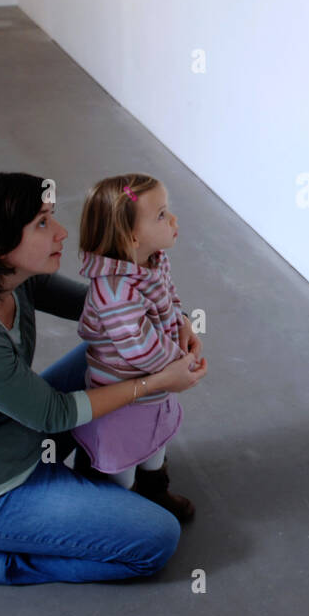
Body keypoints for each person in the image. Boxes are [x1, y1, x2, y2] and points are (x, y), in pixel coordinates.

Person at [0, 172, 208, 585]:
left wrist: (179, 321)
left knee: (112, 349)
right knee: (156, 540)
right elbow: (54, 415)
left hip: (17, 428)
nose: (62, 232)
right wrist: (154, 382)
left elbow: (111, 311)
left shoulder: (15, 281)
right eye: (43, 223)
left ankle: (94, 479)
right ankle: (9, 556)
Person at [68, 175, 198, 521]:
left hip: (156, 387)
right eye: (161, 215)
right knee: (122, 462)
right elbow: (139, 349)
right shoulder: (115, 291)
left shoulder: (153, 261)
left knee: (154, 444)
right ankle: (120, 514)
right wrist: (180, 363)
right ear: (131, 236)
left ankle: (155, 490)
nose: (173, 220)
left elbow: (169, 295)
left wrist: (183, 321)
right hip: (126, 396)